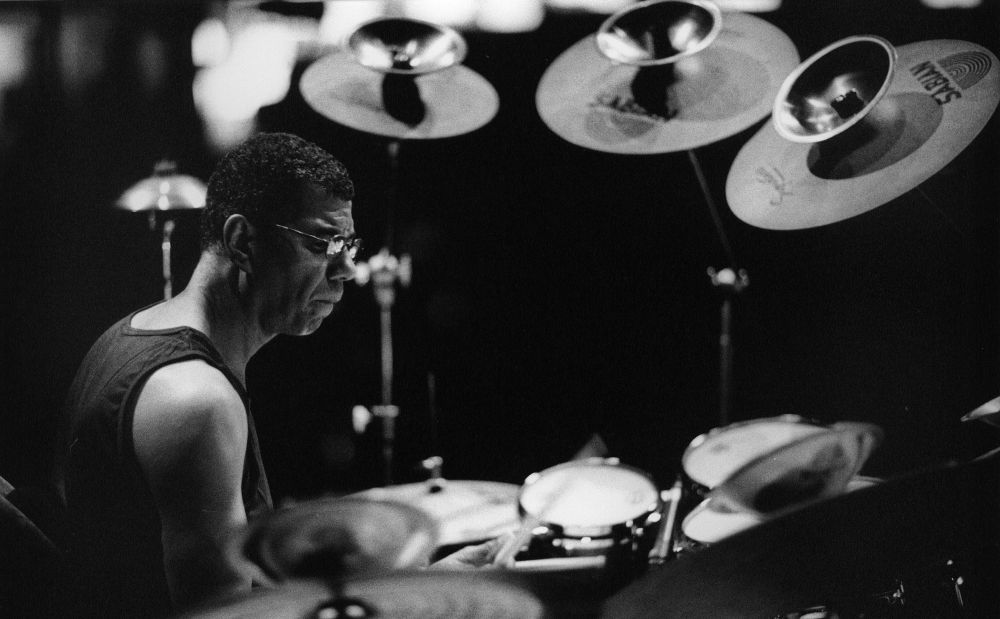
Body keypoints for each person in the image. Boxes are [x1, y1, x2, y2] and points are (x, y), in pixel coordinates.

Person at [54, 132, 499, 618]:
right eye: (324, 243)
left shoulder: (131, 334)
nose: (348, 270)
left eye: (349, 244)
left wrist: (418, 587)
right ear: (242, 242)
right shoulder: (196, 401)